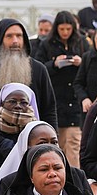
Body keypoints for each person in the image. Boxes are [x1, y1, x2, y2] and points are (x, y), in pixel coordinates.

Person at [0, 18, 57, 128]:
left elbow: (49, 109)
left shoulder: (39, 69)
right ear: (1, 40)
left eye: (19, 36)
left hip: (32, 137)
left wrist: (52, 139)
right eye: (9, 36)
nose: (15, 41)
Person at [40, 11, 88, 169]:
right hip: (55, 98)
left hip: (74, 99)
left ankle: (75, 179)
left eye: (68, 29)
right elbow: (38, 68)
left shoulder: (81, 42)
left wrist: (81, 63)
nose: (65, 33)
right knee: (56, 144)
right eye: (62, 29)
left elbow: (90, 66)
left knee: (74, 143)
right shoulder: (47, 44)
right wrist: (54, 64)